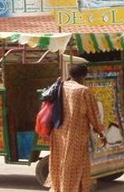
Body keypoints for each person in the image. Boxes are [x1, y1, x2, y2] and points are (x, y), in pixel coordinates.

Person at [47, 64, 106, 192]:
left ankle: (58, 188)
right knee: (74, 165)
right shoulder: (83, 90)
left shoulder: (61, 86)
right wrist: (100, 132)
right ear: (84, 75)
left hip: (58, 132)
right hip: (75, 134)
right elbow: (93, 114)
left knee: (60, 162)